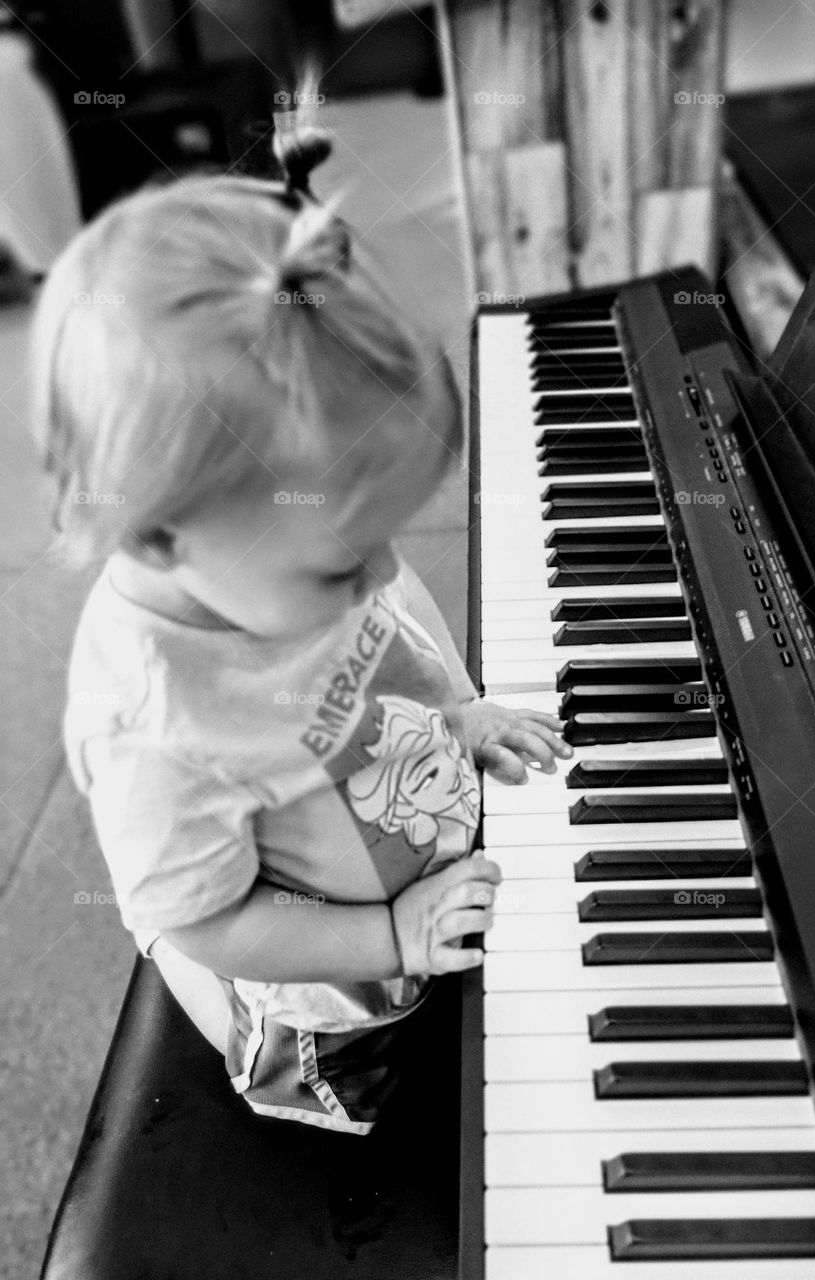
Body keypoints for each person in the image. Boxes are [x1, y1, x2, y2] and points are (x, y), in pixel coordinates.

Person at [29, 116, 570, 1133]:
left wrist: (457, 711)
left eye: (385, 533)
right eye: (340, 562)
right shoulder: (160, 727)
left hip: (392, 821)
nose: (379, 570)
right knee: (391, 1104)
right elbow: (214, 916)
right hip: (330, 1003)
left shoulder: (285, 554)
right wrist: (390, 935)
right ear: (154, 537)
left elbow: (384, 640)